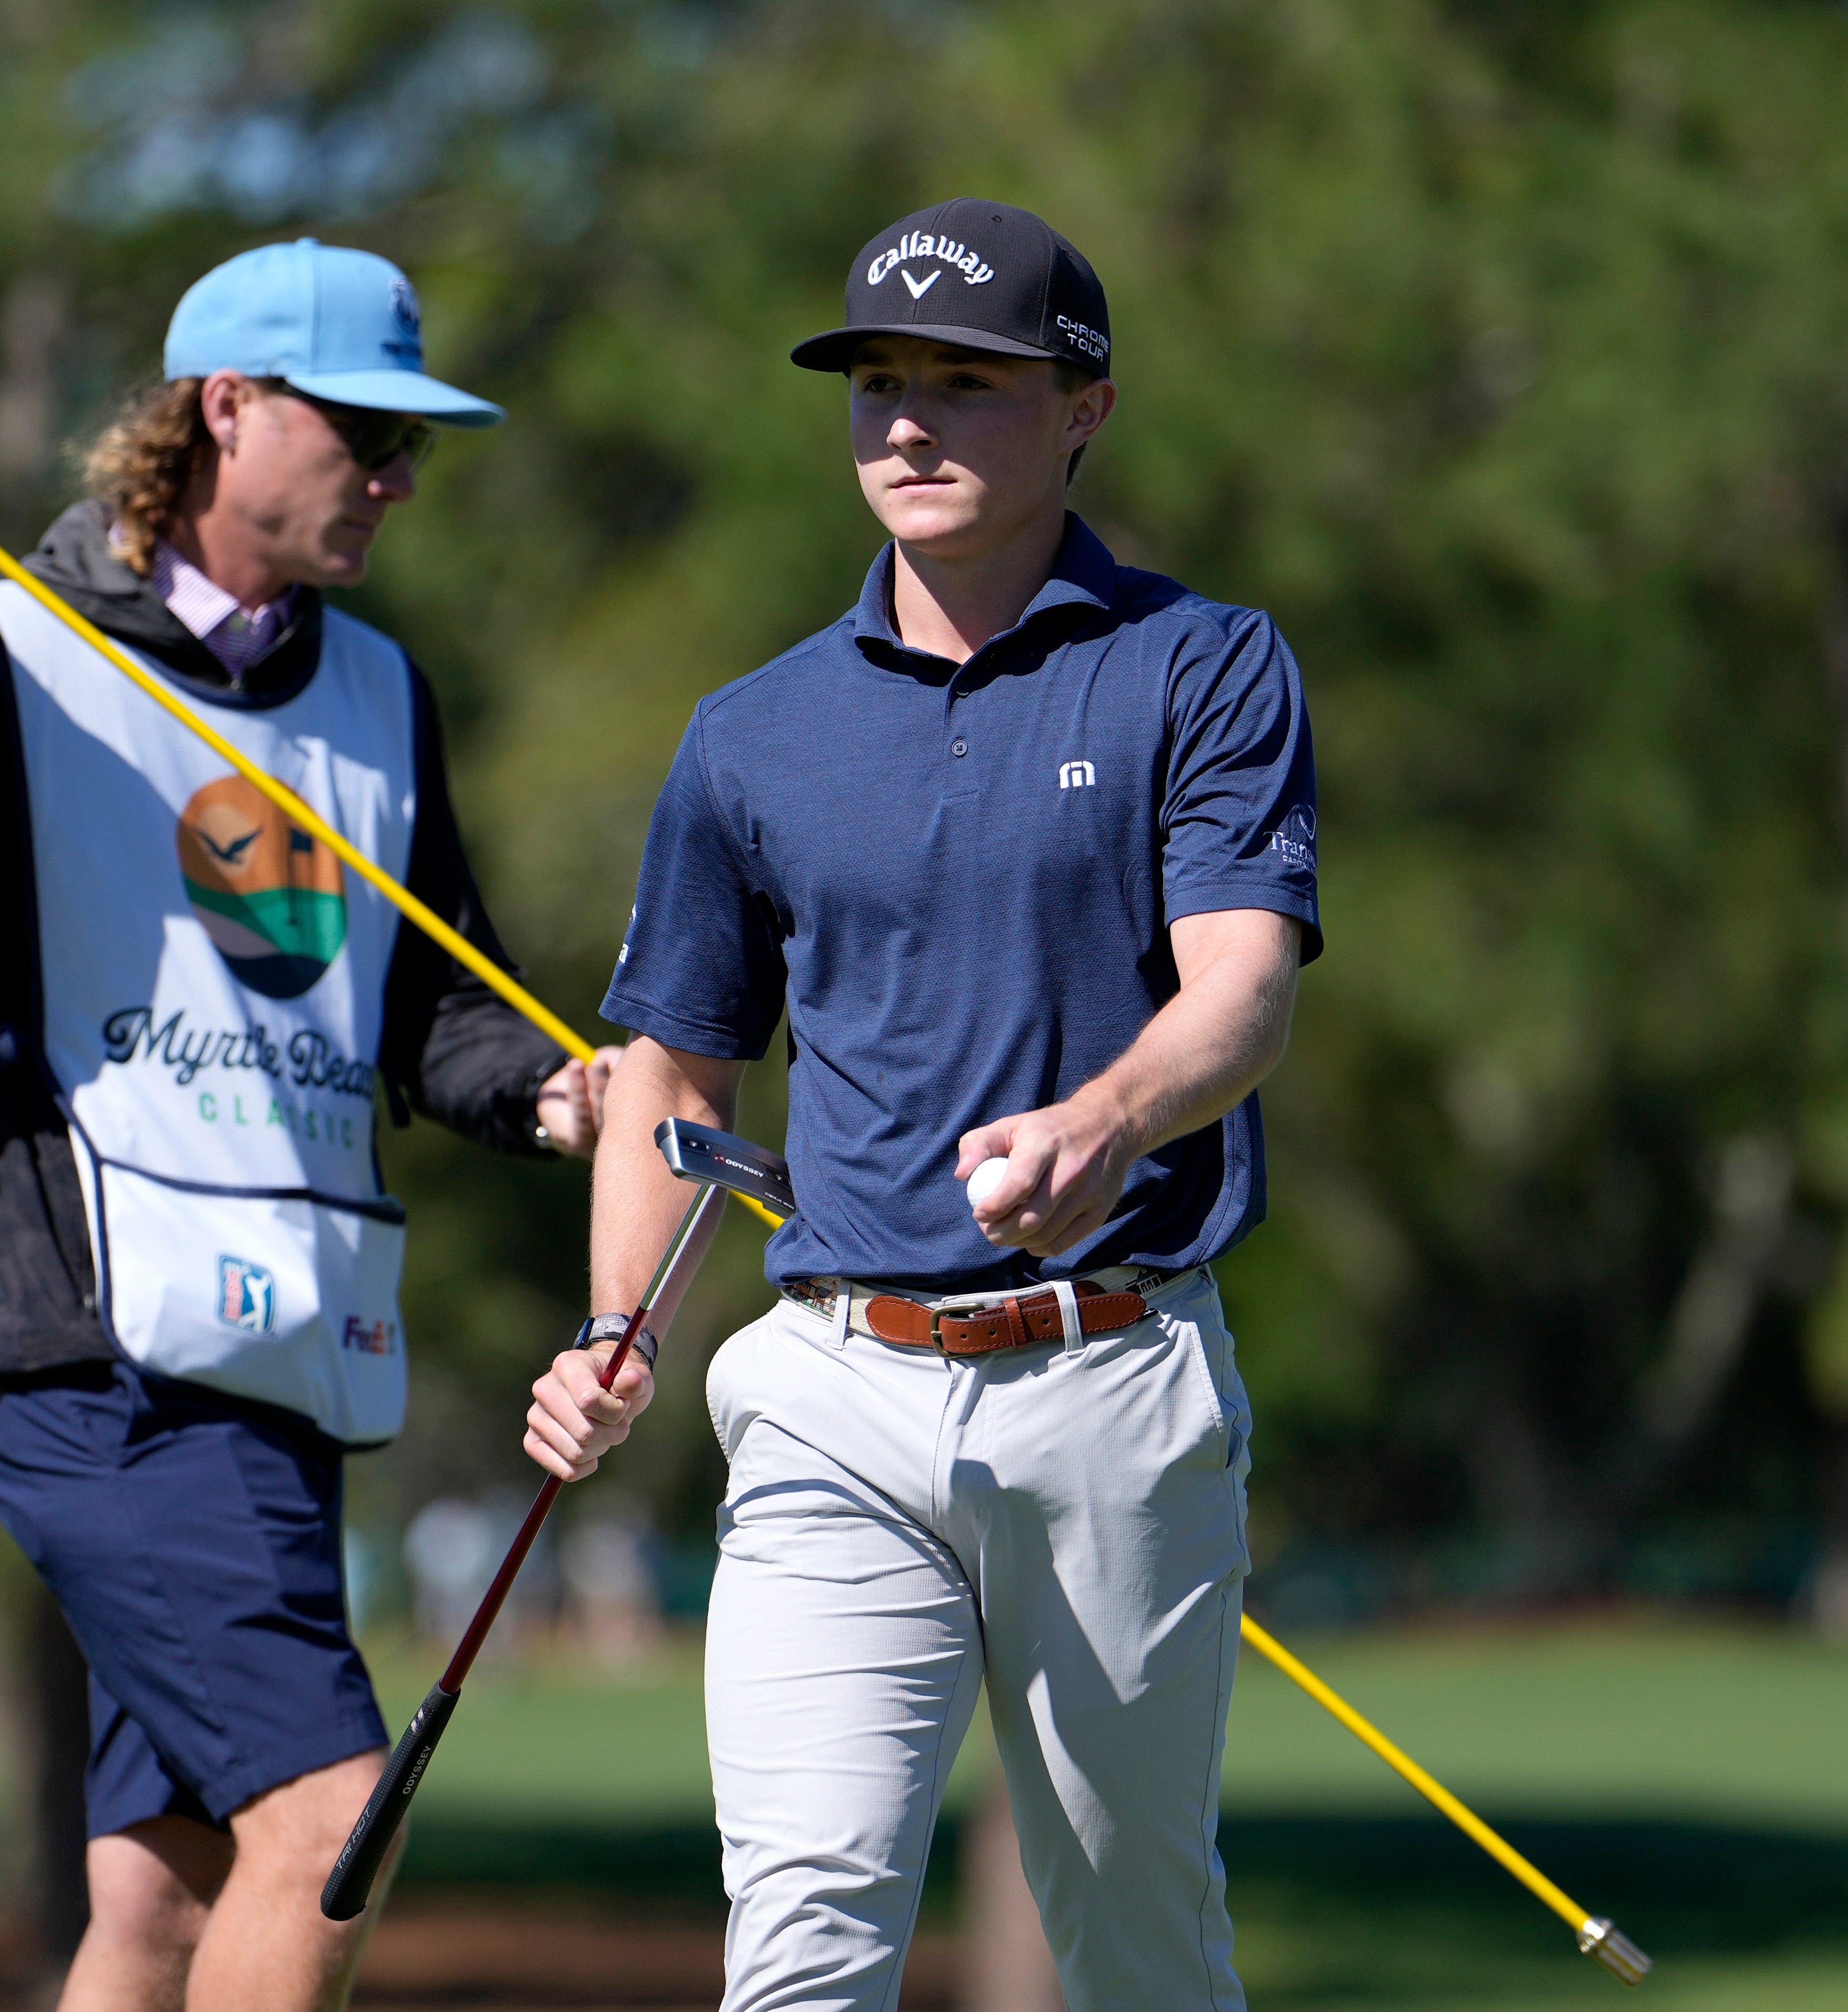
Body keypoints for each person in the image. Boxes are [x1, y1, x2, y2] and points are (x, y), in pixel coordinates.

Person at [0, 239, 629, 2012]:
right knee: (326, 1828)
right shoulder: (8, 640)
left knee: (164, 1899)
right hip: (96, 1356)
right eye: (366, 434)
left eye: (417, 447)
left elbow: (424, 1007)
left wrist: (551, 1094)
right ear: (223, 410)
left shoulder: (382, 693)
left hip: (287, 1359)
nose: (399, 478)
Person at [525, 199, 1319, 2011]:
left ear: (1084, 407)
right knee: (799, 1939)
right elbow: (674, 1059)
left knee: (1137, 1944)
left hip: (1114, 1376)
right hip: (835, 1388)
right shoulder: (751, 731)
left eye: (966, 385)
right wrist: (612, 1326)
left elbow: (1245, 990)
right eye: (880, 383)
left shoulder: (1203, 664)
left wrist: (1105, 1118)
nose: (906, 424)